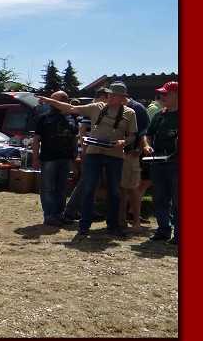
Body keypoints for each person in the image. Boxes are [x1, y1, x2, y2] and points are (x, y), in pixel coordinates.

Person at [39, 82, 137, 237]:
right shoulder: (97, 107)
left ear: (121, 98)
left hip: (115, 155)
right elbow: (71, 108)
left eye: (113, 95)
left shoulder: (130, 113)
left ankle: (113, 226)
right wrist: (49, 101)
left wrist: (123, 142)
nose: (109, 97)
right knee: (89, 189)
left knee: (114, 191)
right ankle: (84, 226)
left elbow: (133, 135)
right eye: (108, 94)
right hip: (94, 153)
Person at [31, 91, 78, 226]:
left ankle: (59, 214)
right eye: (50, 101)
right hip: (48, 158)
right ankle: (49, 215)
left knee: (62, 188)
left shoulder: (71, 118)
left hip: (65, 159)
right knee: (48, 188)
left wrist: (74, 158)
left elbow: (74, 138)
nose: (51, 103)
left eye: (53, 100)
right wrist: (35, 158)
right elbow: (36, 140)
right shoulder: (43, 118)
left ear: (63, 101)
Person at [64, 88, 110, 220]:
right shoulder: (92, 109)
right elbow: (83, 131)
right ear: (103, 97)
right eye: (108, 97)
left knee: (93, 181)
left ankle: (87, 209)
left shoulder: (99, 109)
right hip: (89, 151)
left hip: (95, 150)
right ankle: (71, 210)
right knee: (86, 181)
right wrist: (84, 151)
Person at [143, 81, 179, 244]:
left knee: (178, 199)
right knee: (160, 198)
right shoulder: (159, 115)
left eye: (166, 94)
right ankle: (163, 230)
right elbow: (147, 134)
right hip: (158, 162)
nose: (162, 96)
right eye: (162, 94)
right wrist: (147, 145)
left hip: (177, 164)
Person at [120, 89, 151, 229]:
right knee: (122, 188)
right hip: (117, 154)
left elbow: (144, 132)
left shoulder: (137, 108)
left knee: (133, 187)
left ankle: (135, 220)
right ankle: (122, 219)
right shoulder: (113, 108)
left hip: (132, 154)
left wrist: (139, 149)